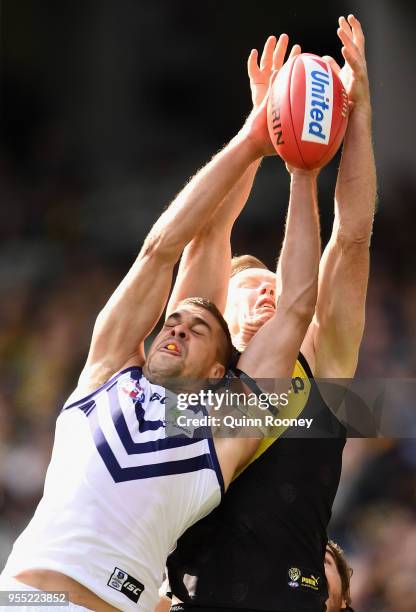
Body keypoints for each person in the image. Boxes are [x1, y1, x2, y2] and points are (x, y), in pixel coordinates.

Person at [0, 39, 321, 612]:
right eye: (172, 320)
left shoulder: (225, 424)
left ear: (221, 371)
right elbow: (162, 249)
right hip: (23, 601)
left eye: (197, 329)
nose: (175, 328)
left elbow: (296, 308)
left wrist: (302, 173)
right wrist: (251, 139)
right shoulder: (103, 377)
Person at [164, 15, 375, 612]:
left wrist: (355, 115)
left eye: (277, 288)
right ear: (214, 314)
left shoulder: (323, 372)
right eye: (251, 286)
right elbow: (209, 237)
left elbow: (352, 239)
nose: (267, 294)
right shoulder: (186, 382)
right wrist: (262, 133)